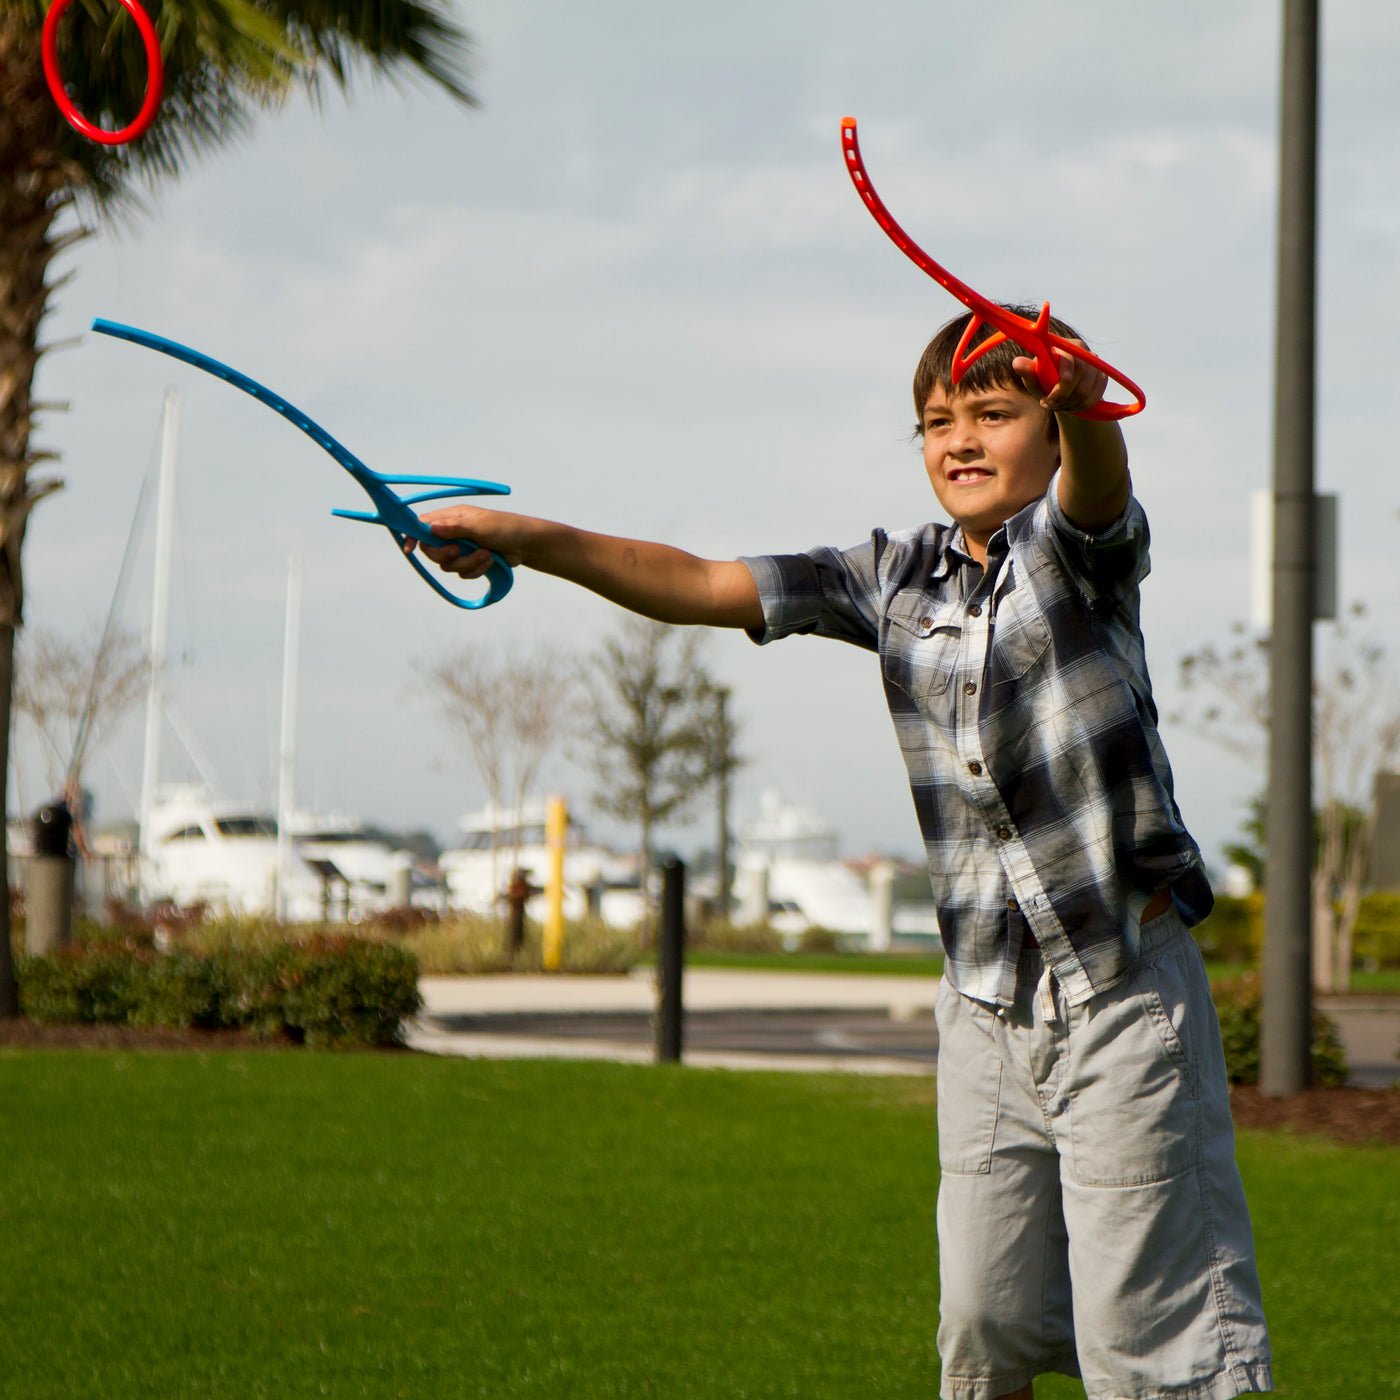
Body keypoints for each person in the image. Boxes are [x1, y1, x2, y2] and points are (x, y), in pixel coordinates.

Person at [411, 308, 1273, 1400]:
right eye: (933, 421)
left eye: (994, 414)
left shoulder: (1081, 554)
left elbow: (1099, 483)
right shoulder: (889, 578)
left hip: (1118, 995)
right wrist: (526, 538)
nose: (956, 439)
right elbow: (698, 583)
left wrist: (1079, 402)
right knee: (983, 1318)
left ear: (1050, 430)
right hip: (982, 1007)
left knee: (1150, 1339)